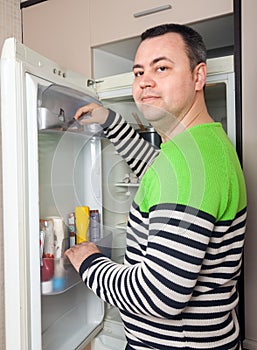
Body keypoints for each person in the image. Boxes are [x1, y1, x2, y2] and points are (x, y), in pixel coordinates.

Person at [65, 23, 247, 350]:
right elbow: (156, 170)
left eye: (161, 67)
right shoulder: (200, 148)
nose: (144, 81)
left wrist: (90, 263)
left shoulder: (189, 164)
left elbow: (159, 295)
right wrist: (110, 121)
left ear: (198, 76)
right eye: (138, 72)